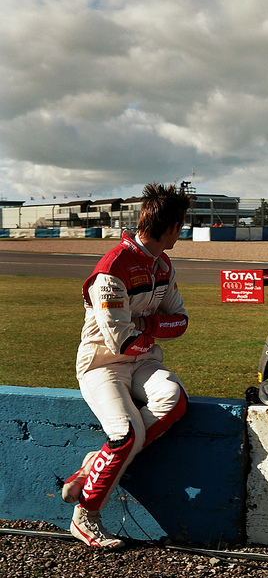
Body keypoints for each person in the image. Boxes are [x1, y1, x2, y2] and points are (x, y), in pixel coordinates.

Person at [62, 183, 192, 549]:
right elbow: (123, 340)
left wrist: (149, 326)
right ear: (169, 228)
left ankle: (97, 463)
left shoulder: (162, 264)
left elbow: (180, 321)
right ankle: (85, 517)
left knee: (174, 399)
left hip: (143, 361)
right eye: (179, 226)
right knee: (127, 433)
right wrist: (154, 328)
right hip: (101, 365)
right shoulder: (112, 268)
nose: (180, 233)